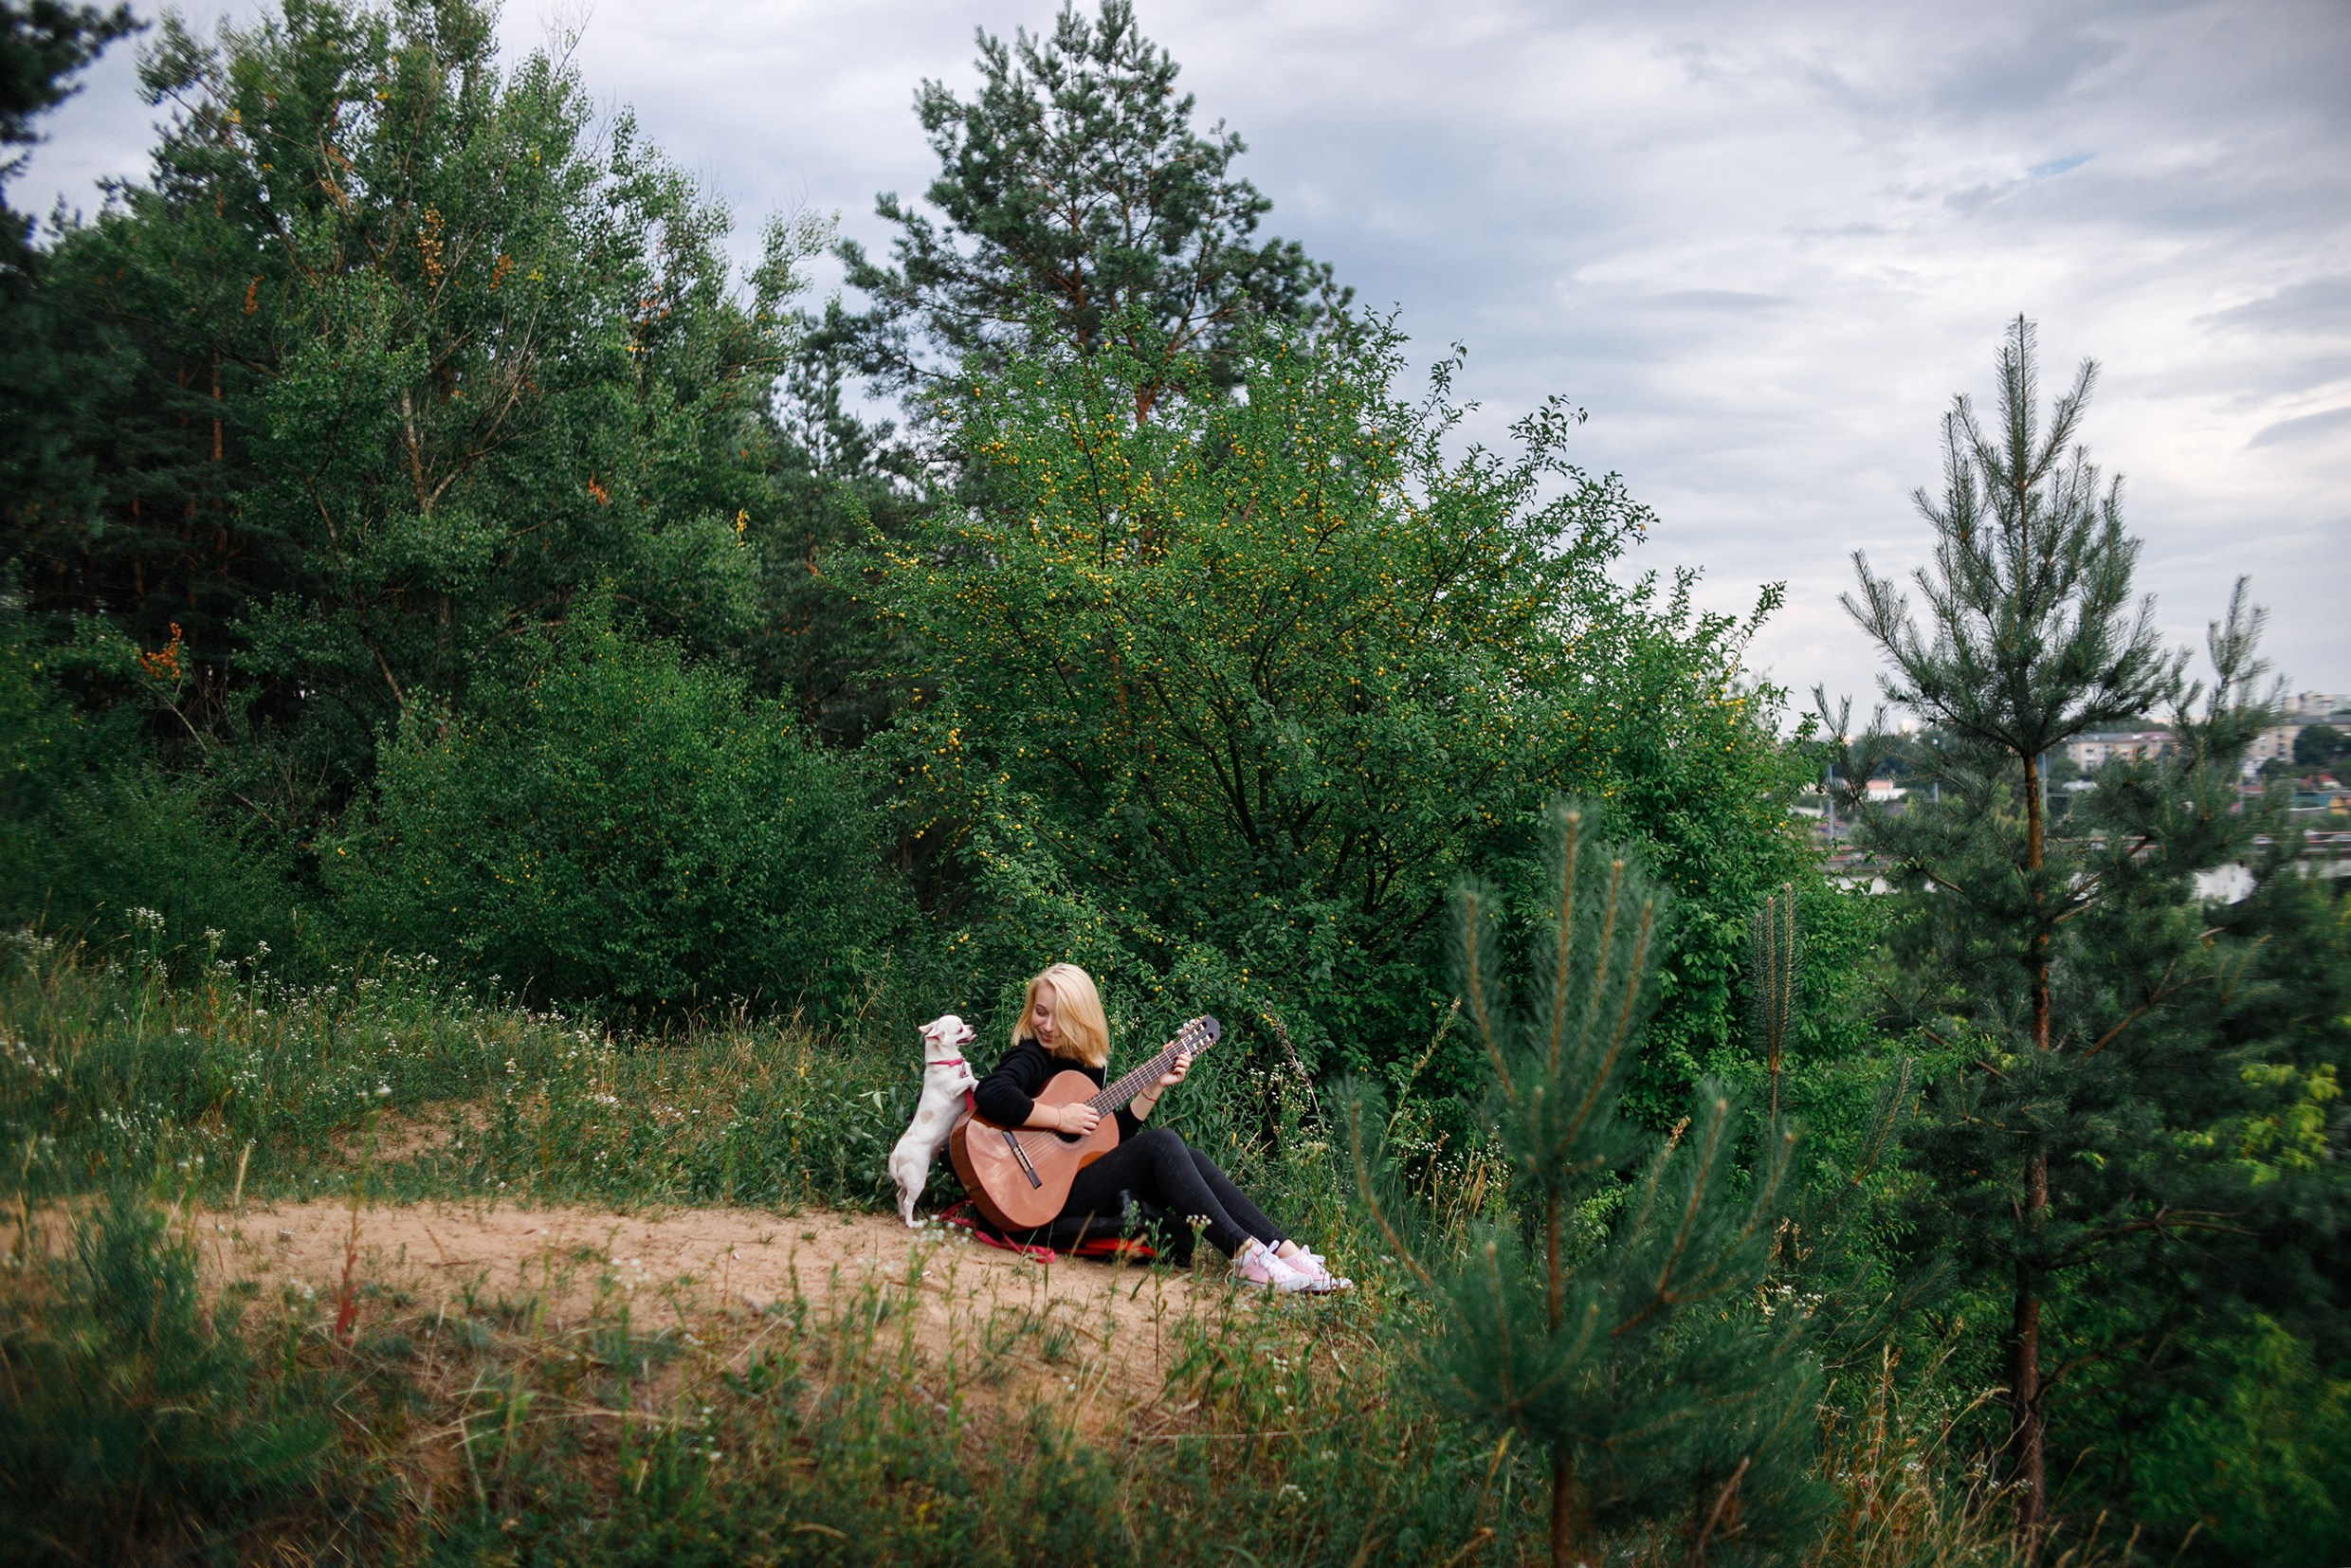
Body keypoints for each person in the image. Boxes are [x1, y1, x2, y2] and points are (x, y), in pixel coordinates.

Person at [971, 962, 1348, 1292]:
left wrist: (1151, 1089)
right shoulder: (1032, 1054)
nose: (1046, 1025)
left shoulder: (1091, 1068)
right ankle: (1244, 1255)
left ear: (1081, 1017)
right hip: (1032, 1197)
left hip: (1062, 1186)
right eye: (1040, 1012)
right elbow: (992, 1093)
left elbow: (1104, 1141)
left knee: (1192, 1157)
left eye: (1058, 1017)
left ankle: (1287, 1253)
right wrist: (1059, 1117)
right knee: (1162, 1143)